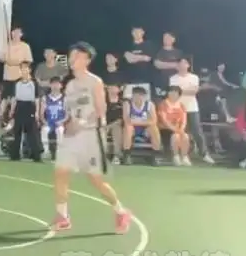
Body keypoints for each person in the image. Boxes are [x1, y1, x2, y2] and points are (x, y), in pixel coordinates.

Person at [54, 42, 131, 234]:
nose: (72, 59)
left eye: (77, 56)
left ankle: (121, 212)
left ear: (87, 60)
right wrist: (65, 122)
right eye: (71, 55)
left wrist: (81, 123)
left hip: (90, 135)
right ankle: (63, 216)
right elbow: (70, 111)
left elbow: (100, 110)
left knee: (96, 180)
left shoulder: (95, 82)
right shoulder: (70, 85)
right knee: (61, 172)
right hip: (72, 135)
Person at [169, 57, 214, 164]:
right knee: (180, 132)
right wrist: (185, 90)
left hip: (192, 108)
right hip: (178, 108)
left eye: (184, 63)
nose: (182, 65)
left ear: (188, 65)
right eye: (180, 63)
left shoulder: (194, 77)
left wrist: (181, 90)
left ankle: (204, 154)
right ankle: (182, 155)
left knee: (197, 131)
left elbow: (194, 91)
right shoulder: (173, 78)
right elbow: (173, 93)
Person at [8, 63, 41, 162]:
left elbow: (37, 99)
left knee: (32, 133)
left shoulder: (34, 83)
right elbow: (14, 98)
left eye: (25, 68)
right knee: (17, 132)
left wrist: (37, 112)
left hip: (29, 106)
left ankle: (36, 156)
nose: (23, 70)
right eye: (22, 69)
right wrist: (12, 110)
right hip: (19, 106)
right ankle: (14, 155)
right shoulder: (16, 83)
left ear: (29, 70)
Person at [121, 86, 160, 162]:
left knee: (154, 128)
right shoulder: (127, 104)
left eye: (140, 95)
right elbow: (126, 120)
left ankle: (155, 156)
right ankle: (127, 155)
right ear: (132, 96)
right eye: (135, 95)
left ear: (144, 96)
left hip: (145, 130)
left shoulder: (150, 104)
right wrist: (145, 121)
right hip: (133, 130)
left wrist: (134, 121)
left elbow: (154, 121)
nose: (138, 98)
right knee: (128, 127)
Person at [159, 86, 190, 166]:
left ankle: (184, 157)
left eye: (175, 93)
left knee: (185, 136)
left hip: (178, 129)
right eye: (171, 92)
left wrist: (181, 129)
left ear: (179, 95)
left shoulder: (182, 105)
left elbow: (184, 120)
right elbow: (164, 120)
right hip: (165, 129)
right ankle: (175, 157)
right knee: (175, 136)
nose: (173, 94)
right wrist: (175, 130)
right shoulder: (163, 104)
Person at [38, 77, 66, 161]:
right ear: (50, 85)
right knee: (44, 130)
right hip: (49, 122)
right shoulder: (45, 98)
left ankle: (60, 152)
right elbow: (41, 113)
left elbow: (68, 114)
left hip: (60, 122)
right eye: (53, 84)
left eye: (57, 84)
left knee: (60, 131)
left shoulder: (64, 98)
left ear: (61, 85)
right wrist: (44, 121)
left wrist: (62, 121)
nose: (55, 86)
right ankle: (46, 152)